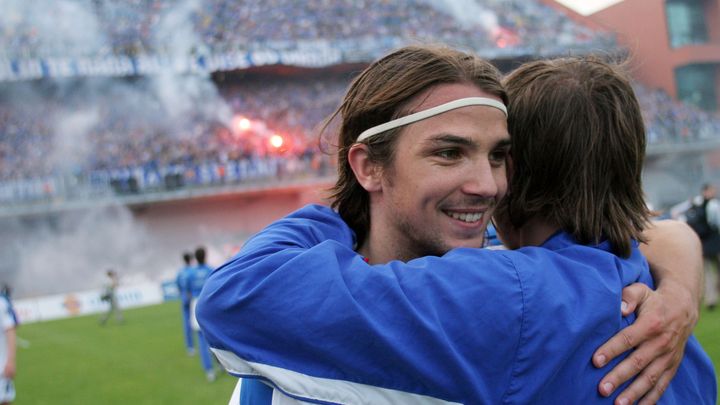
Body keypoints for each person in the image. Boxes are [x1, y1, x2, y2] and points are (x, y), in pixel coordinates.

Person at [197, 47, 715, 404]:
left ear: (529, 175)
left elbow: (234, 295)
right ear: (366, 165)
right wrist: (681, 266)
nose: (487, 185)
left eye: (501, 157)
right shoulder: (643, 297)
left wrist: (335, 216)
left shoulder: (505, 292)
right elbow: (655, 229)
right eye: (449, 152)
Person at [672, 183, 720, 310]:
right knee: (709, 272)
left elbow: (676, 212)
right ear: (706, 191)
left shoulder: (695, 204)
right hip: (712, 242)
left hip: (704, 242)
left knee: (708, 272)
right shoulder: (713, 204)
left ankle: (711, 299)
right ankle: (711, 299)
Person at [189, 246, 217, 382]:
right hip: (209, 302)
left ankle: (209, 370)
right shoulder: (210, 270)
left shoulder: (191, 273)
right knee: (215, 335)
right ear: (205, 256)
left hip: (196, 304)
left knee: (201, 339)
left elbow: (186, 288)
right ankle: (223, 363)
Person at [176, 251, 196, 355]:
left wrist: (182, 295)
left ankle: (190, 347)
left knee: (186, 323)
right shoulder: (193, 271)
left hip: (184, 299)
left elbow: (178, 285)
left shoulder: (180, 272)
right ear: (191, 259)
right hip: (193, 299)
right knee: (199, 323)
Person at [0, 287, 16, 405]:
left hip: (1, 366)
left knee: (5, 400)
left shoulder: (1, 304)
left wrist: (10, 361)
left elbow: (10, 330)